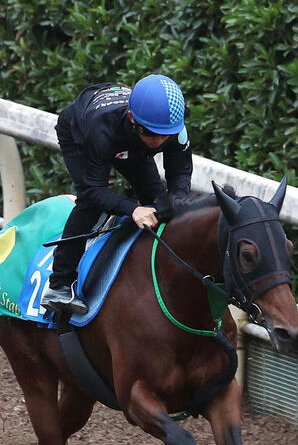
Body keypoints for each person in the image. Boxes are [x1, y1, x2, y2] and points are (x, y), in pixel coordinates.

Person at [40, 74, 193, 315]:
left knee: (162, 202)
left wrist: (175, 201)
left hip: (130, 142)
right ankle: (59, 284)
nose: (159, 141)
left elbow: (180, 172)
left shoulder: (171, 128)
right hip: (81, 133)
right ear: (133, 119)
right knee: (90, 205)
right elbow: (93, 190)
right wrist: (132, 209)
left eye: (165, 135)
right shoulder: (100, 129)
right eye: (151, 133)